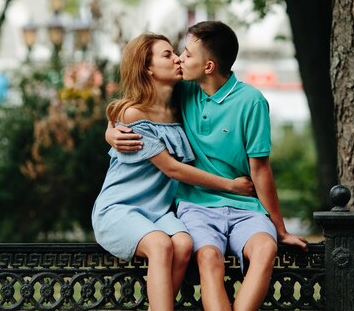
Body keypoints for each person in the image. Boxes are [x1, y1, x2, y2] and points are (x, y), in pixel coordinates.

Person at [107, 21, 308, 311]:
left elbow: (260, 170)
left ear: (209, 66)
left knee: (266, 249)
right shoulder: (182, 92)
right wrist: (111, 131)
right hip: (196, 206)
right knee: (209, 258)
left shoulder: (251, 102)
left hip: (245, 208)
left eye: (187, 54)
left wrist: (280, 228)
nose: (179, 58)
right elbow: (132, 106)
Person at [91, 33, 255, 311]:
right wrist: (230, 185)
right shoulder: (134, 113)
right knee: (160, 246)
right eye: (167, 55)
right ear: (147, 67)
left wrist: (109, 130)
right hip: (120, 209)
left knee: (182, 243)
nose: (178, 58)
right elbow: (172, 168)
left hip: (158, 212)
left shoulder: (180, 103)